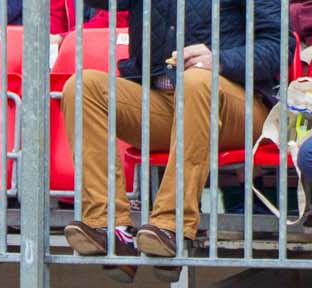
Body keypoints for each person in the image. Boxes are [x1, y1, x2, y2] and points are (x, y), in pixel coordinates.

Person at [60, 0, 281, 270]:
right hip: (166, 101)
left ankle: (170, 226)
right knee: (82, 88)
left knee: (197, 79)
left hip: (242, 104)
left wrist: (219, 59)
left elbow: (278, 46)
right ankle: (111, 229)